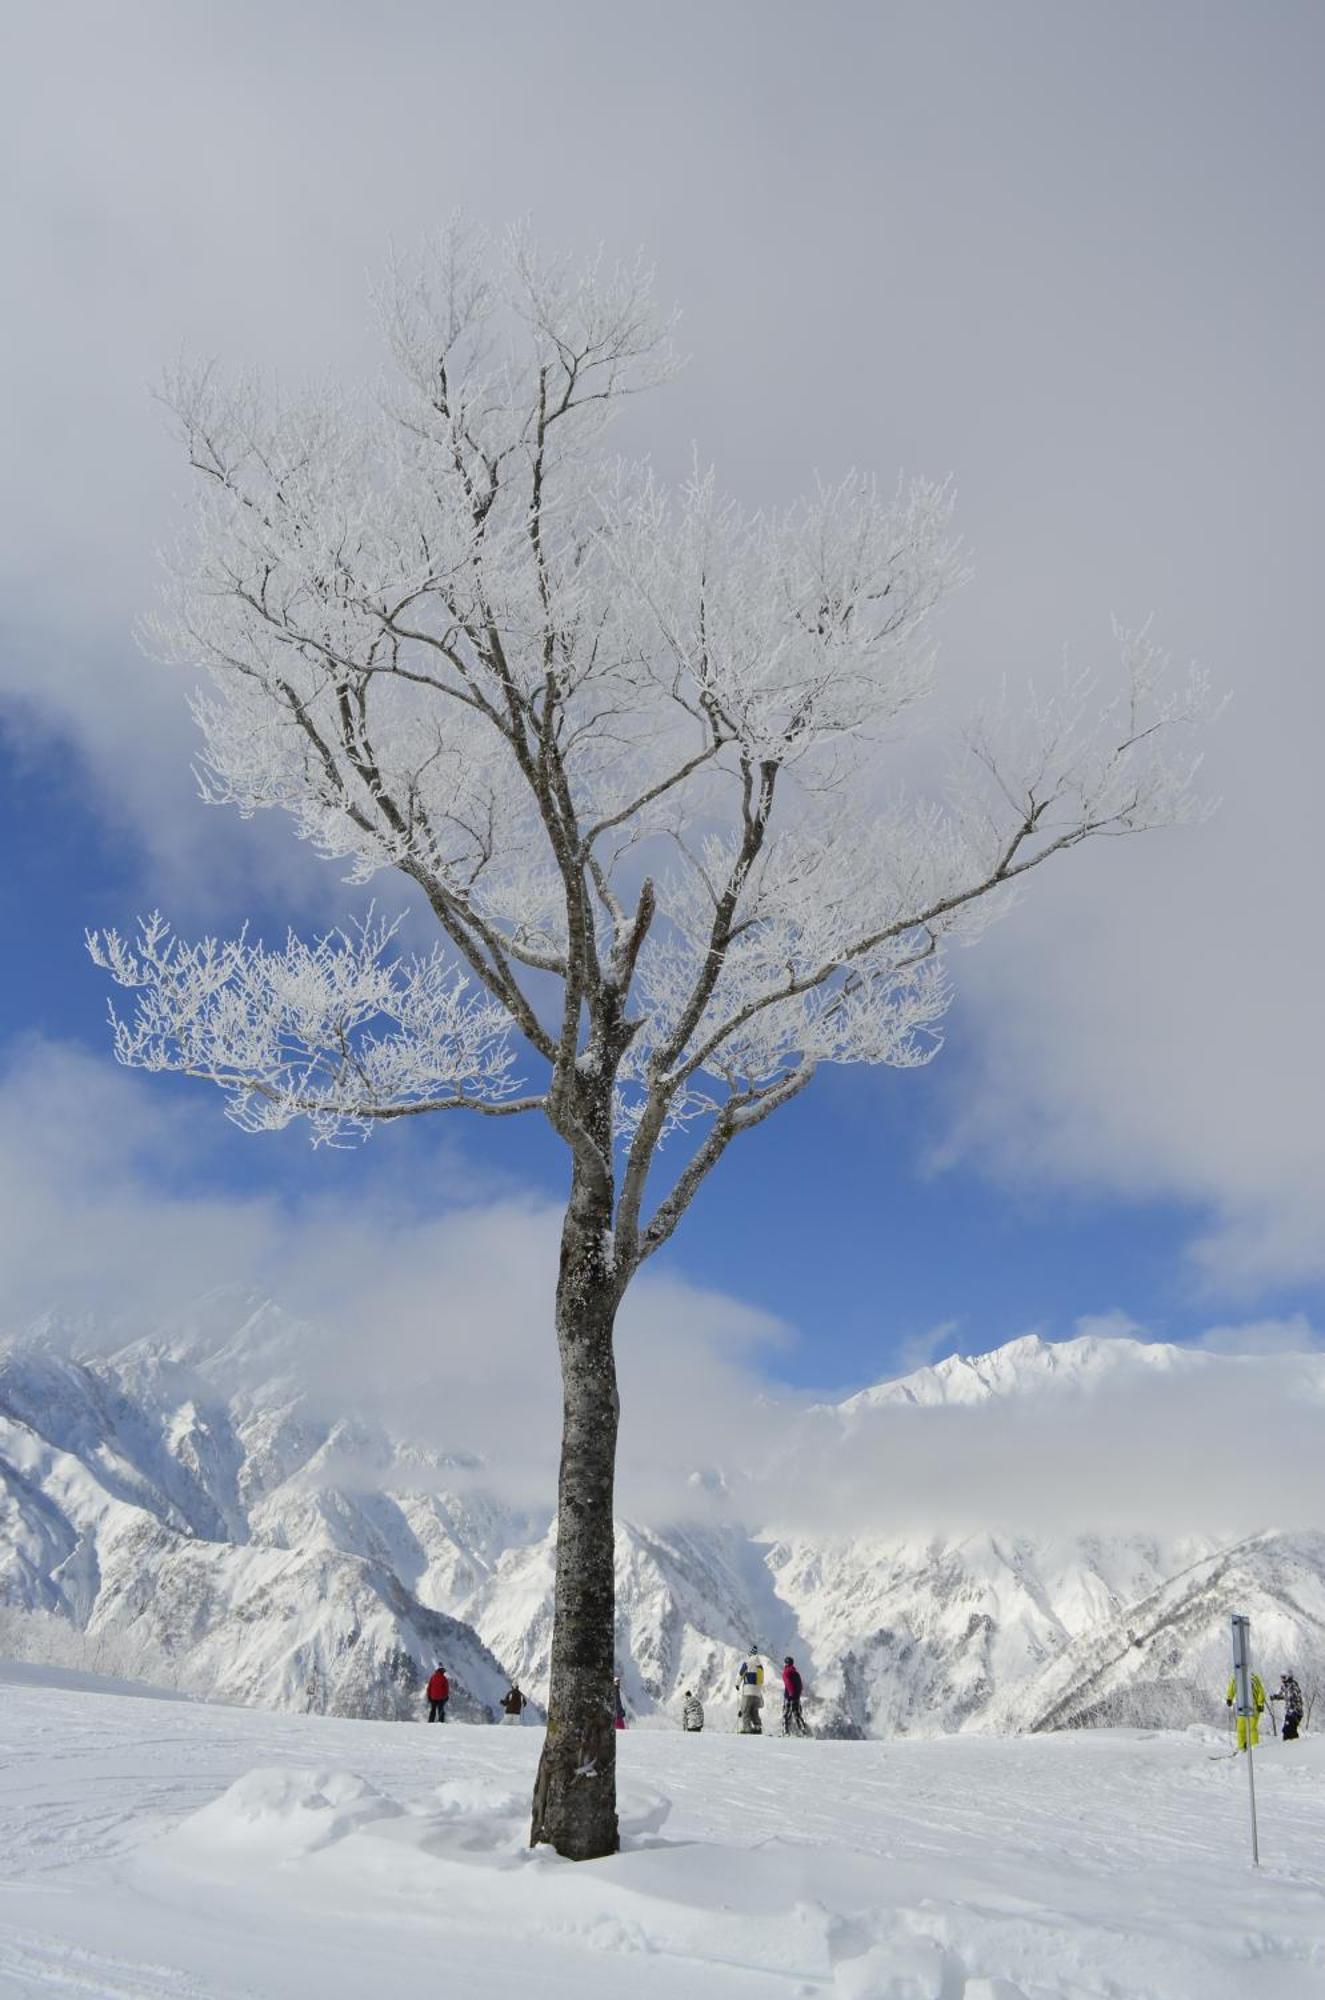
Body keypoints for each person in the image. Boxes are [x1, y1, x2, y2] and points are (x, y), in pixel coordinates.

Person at [1225, 1668, 1266, 1750]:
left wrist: (1260, 1704)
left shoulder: (1253, 1678)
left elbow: (1260, 1691)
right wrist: (1229, 1698)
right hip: (1241, 1706)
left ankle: (1255, 1747)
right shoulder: (1236, 1677)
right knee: (1241, 1729)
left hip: (1253, 1707)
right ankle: (1242, 1747)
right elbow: (1231, 1688)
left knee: (1252, 1728)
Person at [1271, 1672, 1304, 1742]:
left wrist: (1294, 1709)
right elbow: (1284, 1695)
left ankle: (1294, 1745)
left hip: (1296, 1712)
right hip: (1289, 1712)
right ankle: (1290, 1744)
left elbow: (1293, 1697)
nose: (1282, 1679)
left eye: (1284, 1677)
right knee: (1288, 1730)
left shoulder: (1293, 1686)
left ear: (1289, 1677)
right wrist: (1276, 1697)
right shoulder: (1284, 1685)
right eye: (1281, 1678)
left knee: (1289, 1729)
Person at [781, 1655, 807, 1736]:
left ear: (786, 1663)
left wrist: (791, 1693)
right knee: (797, 1715)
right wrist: (797, 1695)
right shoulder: (796, 1672)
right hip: (796, 1697)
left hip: (789, 1696)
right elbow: (800, 1685)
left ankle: (786, 1732)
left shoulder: (786, 1672)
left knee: (786, 1714)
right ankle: (803, 1730)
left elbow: (788, 1683)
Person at [736, 1658, 764, 1735]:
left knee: (745, 1710)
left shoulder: (747, 1663)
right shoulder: (760, 1666)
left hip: (748, 1690)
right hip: (757, 1692)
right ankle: (757, 1727)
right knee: (754, 1711)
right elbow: (761, 1680)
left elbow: (741, 1674)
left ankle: (747, 1728)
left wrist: (737, 1684)